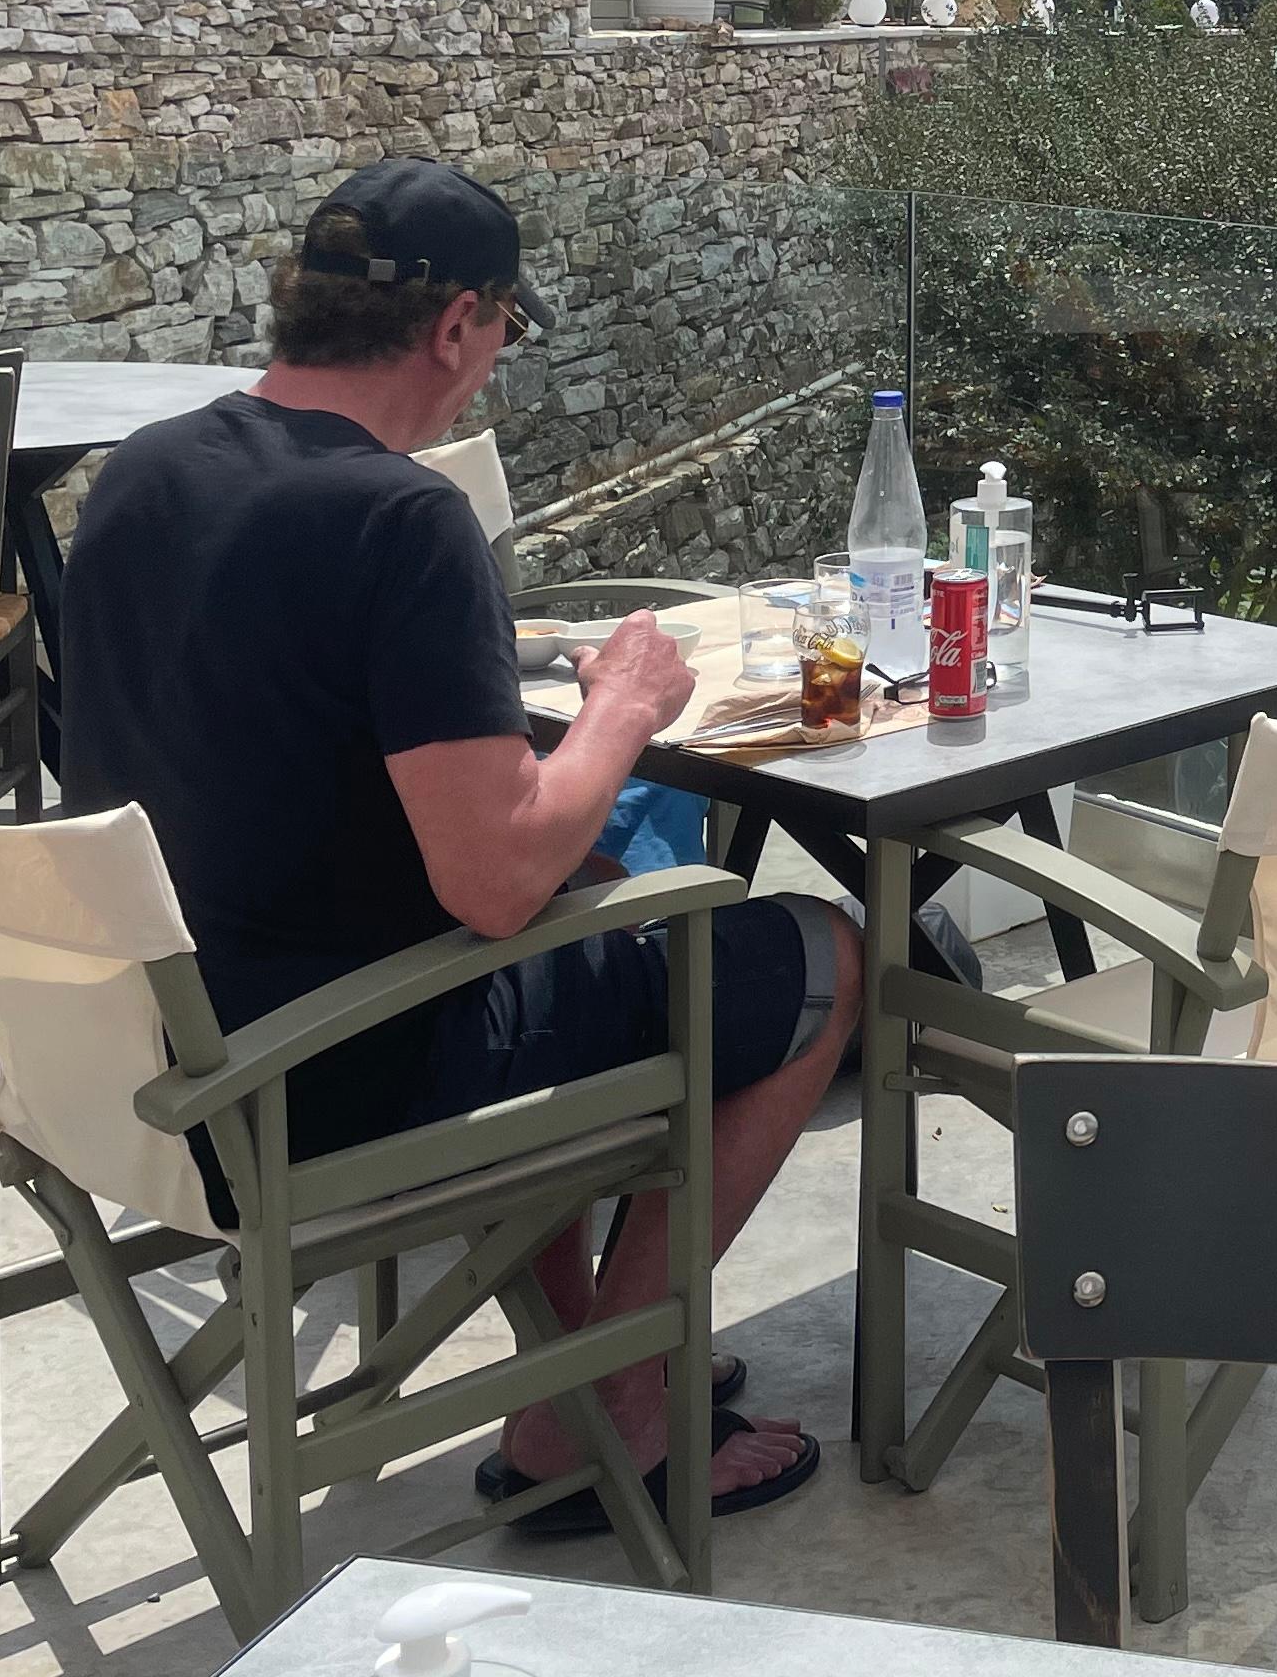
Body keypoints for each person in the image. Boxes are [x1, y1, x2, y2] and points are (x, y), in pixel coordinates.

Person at [59, 157, 856, 1529]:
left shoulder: (144, 473)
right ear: (453, 328)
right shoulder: (402, 518)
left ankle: (577, 1364)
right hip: (308, 1085)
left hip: (132, 1054)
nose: (492, 364)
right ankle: (610, 1415)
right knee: (817, 954)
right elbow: (494, 885)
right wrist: (623, 708)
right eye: (501, 333)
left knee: (603, 897)